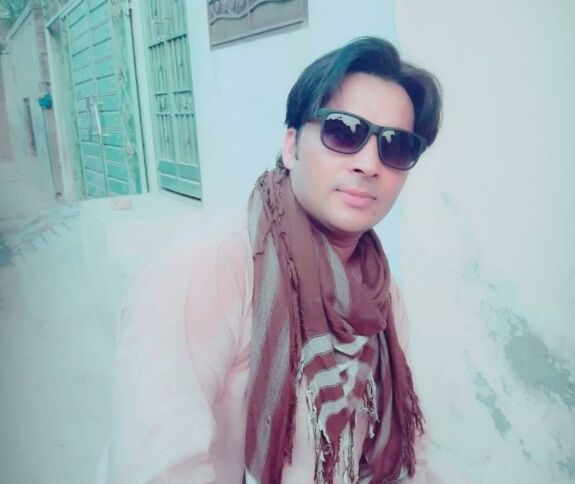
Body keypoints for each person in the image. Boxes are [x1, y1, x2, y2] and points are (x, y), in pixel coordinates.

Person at [99, 36, 442, 483]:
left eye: (395, 145)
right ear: (291, 146)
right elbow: (155, 468)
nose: (369, 163)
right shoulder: (207, 269)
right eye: (343, 131)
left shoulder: (380, 293)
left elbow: (410, 455)